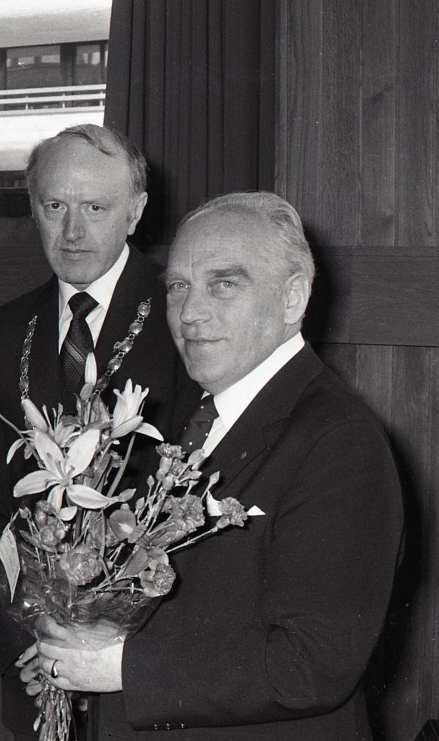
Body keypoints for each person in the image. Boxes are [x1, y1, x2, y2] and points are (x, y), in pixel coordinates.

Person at [28, 191, 403, 739]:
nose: (190, 314)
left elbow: (314, 663)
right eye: (178, 287)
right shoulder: (192, 415)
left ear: (293, 298)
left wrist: (120, 668)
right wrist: (81, 640)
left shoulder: (340, 440)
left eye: (224, 284)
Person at [0, 124, 185, 740]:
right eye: (55, 205)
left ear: (135, 211)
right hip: (35, 667)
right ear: (33, 208)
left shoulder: (183, 316)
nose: (73, 231)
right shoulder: (5, 328)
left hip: (142, 675)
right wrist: (25, 639)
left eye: (96, 208)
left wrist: (109, 643)